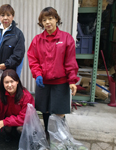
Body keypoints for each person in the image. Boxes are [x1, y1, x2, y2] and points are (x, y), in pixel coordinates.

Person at [27, 7, 79, 139]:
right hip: (43, 82)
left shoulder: (66, 38)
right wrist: (37, 74)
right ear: (41, 23)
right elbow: (33, 59)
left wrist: (72, 81)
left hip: (60, 82)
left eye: (50, 18)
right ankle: (47, 134)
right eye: (44, 20)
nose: (47, 22)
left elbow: (70, 61)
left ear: (56, 19)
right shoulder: (37, 40)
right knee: (44, 110)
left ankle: (60, 136)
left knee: (59, 111)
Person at [0, 69, 35, 142]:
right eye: (6, 82)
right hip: (9, 119)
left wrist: (5, 122)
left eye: (12, 81)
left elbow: (25, 118)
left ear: (17, 81)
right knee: (7, 128)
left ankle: (24, 139)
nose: (9, 85)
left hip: (22, 122)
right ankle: (9, 135)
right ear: (2, 83)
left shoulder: (26, 96)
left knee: (20, 129)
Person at [0, 4, 25, 77]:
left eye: (8, 15)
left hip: (10, 72)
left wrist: (6, 64)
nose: (5, 18)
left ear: (13, 16)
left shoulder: (18, 34)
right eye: (2, 15)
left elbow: (18, 54)